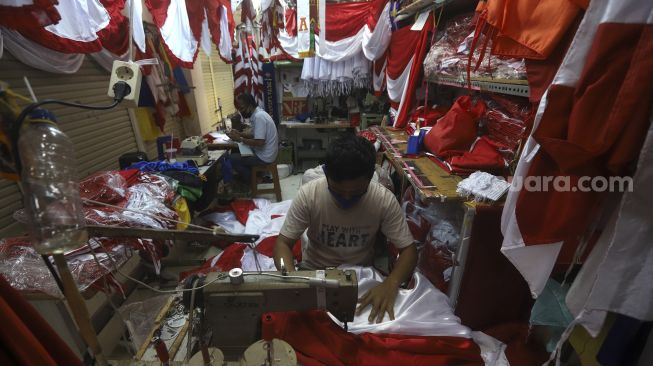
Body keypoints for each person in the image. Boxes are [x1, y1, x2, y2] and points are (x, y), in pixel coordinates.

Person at [274, 134, 417, 323]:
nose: (347, 199)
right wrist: (291, 278)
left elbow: (409, 250)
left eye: (357, 192)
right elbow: (283, 243)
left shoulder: (383, 200)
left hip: (360, 277)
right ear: (327, 175)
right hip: (315, 273)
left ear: (369, 179)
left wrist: (391, 283)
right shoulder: (310, 195)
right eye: (339, 192)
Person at [226, 93, 278, 183]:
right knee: (237, 151)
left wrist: (240, 139)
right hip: (266, 153)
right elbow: (255, 135)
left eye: (242, 108)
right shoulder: (257, 114)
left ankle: (255, 180)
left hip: (264, 157)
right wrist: (240, 134)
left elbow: (259, 142)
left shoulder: (259, 117)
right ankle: (253, 178)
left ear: (249, 105)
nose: (241, 112)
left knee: (229, 159)